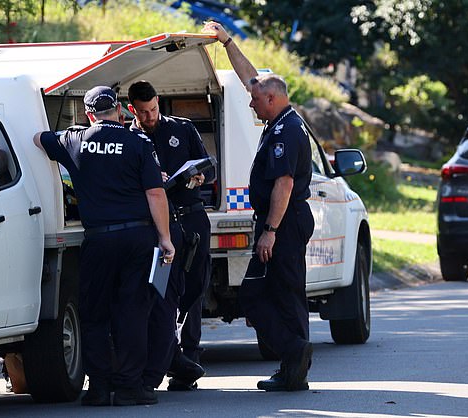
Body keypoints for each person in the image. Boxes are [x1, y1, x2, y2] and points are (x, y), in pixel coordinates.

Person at [33, 86, 174, 406]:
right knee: (133, 313)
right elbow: (155, 194)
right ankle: (129, 388)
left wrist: (72, 134)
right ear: (121, 110)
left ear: (88, 114)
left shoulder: (74, 139)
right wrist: (165, 238)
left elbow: (38, 138)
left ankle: (98, 388)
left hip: (98, 239)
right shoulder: (139, 142)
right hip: (137, 238)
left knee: (94, 315)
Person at [203, 22, 315, 392]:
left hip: (282, 224)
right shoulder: (280, 118)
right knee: (280, 295)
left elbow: (283, 185)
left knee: (263, 293)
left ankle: (294, 354)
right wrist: (227, 41)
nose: (250, 102)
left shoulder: (287, 132)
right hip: (280, 223)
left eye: (255, 100)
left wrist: (270, 231)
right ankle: (292, 369)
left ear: (271, 99)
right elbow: (251, 78)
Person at [128, 81, 214, 391]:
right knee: (165, 294)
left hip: (190, 218)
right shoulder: (130, 137)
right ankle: (176, 362)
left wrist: (199, 176)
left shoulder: (182, 128)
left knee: (195, 288)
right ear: (132, 110)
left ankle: (186, 355)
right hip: (157, 227)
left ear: (159, 102)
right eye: (143, 112)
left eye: (153, 110)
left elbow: (208, 167)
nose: (150, 116)